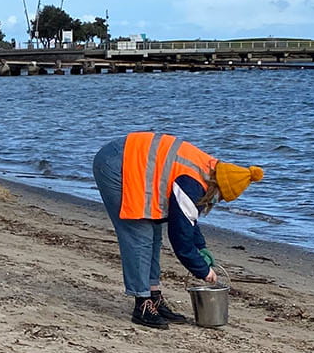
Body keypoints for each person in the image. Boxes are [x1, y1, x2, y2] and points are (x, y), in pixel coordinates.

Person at [91, 132, 264, 329]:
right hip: (117, 164)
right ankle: (142, 304)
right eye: (220, 198)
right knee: (139, 234)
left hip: (134, 162)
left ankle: (153, 296)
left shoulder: (208, 171)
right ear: (219, 188)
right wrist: (202, 270)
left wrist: (201, 247)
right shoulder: (192, 182)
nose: (217, 201)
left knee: (154, 231)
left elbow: (188, 217)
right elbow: (179, 234)